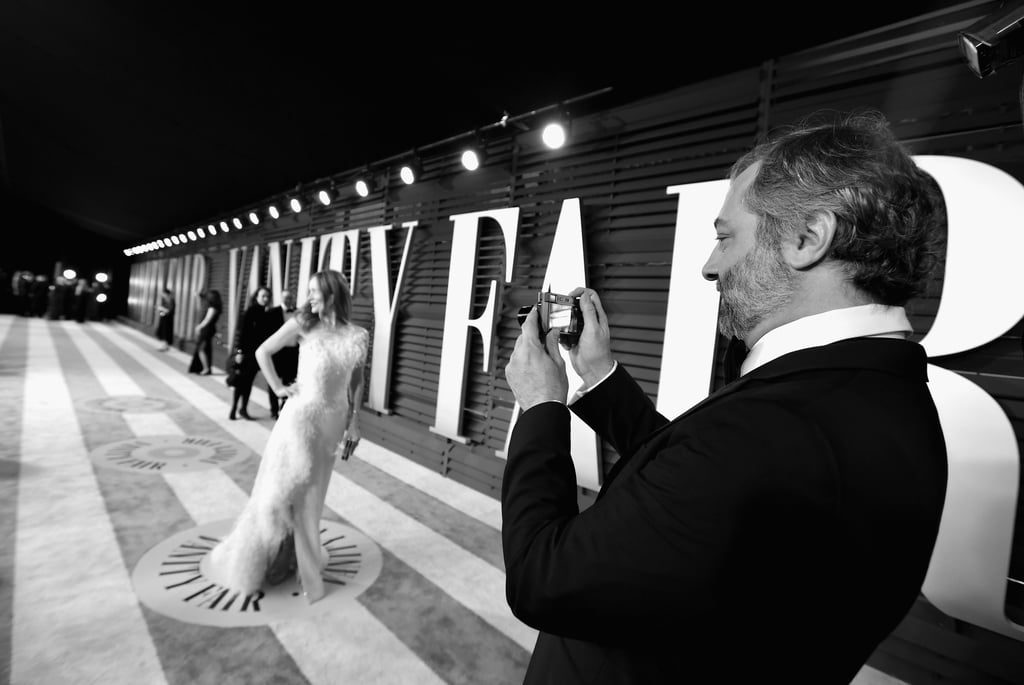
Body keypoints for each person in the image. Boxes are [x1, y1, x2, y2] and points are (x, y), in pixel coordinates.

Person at [501, 109, 949, 684]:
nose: (710, 268)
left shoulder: (778, 426)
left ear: (807, 238)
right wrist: (602, 374)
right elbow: (697, 495)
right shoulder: (877, 395)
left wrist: (541, 407)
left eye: (724, 236)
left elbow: (543, 578)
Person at [206, 270, 369, 603]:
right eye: (308, 290)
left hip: (333, 423)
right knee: (290, 493)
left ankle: (291, 557)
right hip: (301, 419)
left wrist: (355, 422)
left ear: (334, 293)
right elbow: (262, 352)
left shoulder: (359, 335)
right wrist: (278, 387)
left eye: (316, 291)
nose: (310, 297)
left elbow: (357, 382)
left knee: (315, 495)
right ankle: (306, 575)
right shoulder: (303, 325)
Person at [228, 286, 280, 420]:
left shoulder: (266, 313)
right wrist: (239, 352)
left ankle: (243, 408)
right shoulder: (250, 312)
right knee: (242, 382)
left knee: (248, 382)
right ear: (256, 297)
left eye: (267, 296)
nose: (265, 299)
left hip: (258, 354)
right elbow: (243, 333)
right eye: (262, 296)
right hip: (248, 354)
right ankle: (234, 408)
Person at [269, 288, 299, 418]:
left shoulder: (299, 313)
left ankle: (284, 408)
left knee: (290, 381)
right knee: (275, 380)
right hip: (278, 352)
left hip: (293, 353)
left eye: (290, 298)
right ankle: (274, 409)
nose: (288, 300)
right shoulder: (272, 313)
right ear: (281, 298)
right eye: (286, 297)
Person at [188, 289, 222, 375]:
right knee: (204, 348)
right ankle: (206, 368)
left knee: (201, 348)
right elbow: (202, 297)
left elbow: (207, 319)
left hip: (207, 330)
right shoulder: (214, 306)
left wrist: (199, 327)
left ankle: (206, 368)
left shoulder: (212, 308)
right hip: (208, 330)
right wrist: (198, 294)